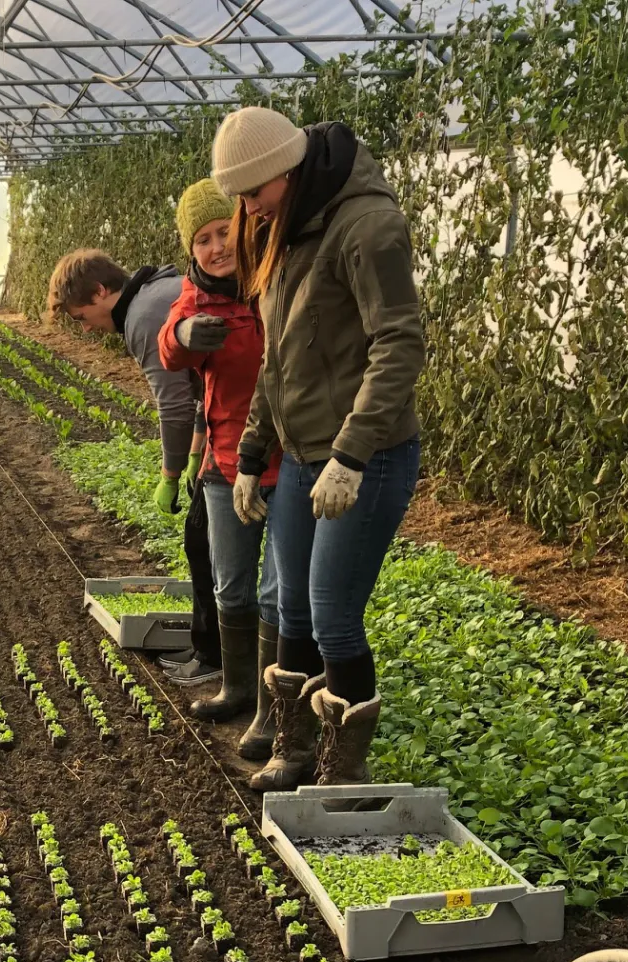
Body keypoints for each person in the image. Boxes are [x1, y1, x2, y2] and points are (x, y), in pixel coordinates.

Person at [211, 108, 424, 791]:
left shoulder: (367, 226)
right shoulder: (290, 230)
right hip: (303, 453)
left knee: (332, 611)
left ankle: (343, 770)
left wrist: (353, 454)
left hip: (366, 456)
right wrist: (251, 457)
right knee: (294, 609)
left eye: (253, 191)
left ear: (289, 171)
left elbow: (399, 345)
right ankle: (294, 748)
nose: (246, 209)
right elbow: (279, 362)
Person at [46, 250, 217, 689]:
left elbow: (174, 404)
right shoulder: (160, 290)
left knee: (205, 542)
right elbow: (202, 383)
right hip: (229, 422)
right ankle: (208, 648)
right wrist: (199, 450)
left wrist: (171, 474)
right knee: (206, 540)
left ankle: (214, 655)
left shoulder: (143, 316)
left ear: (102, 292)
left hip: (247, 427)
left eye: (82, 316)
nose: (85, 328)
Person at [157, 179, 281, 759]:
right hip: (225, 463)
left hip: (288, 460)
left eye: (223, 231)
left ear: (244, 224)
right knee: (232, 585)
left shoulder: (272, 280)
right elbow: (170, 348)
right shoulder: (196, 298)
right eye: (202, 239)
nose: (215, 247)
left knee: (279, 594)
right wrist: (184, 333)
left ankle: (271, 709)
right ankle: (236, 688)